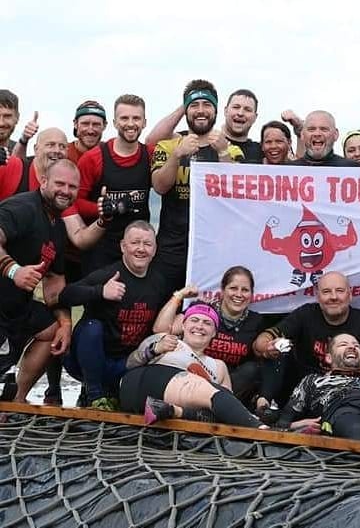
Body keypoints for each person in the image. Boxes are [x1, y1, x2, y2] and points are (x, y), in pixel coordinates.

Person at [58, 220, 167, 410]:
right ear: (123, 246)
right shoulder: (108, 275)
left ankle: (114, 391)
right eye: (135, 243)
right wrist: (100, 291)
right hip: (88, 360)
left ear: (155, 249)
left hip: (127, 363)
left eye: (147, 244)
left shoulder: (159, 282)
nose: (141, 249)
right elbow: (65, 295)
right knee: (92, 327)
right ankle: (94, 394)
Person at [120, 300, 265, 429]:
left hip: (174, 403)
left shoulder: (218, 366)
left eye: (207, 323)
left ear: (214, 332)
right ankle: (260, 428)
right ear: (183, 325)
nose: (200, 326)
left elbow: (227, 404)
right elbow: (130, 364)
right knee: (212, 392)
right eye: (194, 320)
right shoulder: (168, 340)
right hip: (144, 384)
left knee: (223, 405)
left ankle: (174, 411)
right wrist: (154, 349)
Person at [0, 159, 77, 401]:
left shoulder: (57, 227)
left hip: (16, 307)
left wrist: (65, 323)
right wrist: (13, 270)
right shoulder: (22, 208)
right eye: (60, 183)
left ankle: (15, 402)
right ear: (43, 181)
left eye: (72, 186)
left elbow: (54, 283)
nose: (65, 191)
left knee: (52, 330)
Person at [151, 80, 232, 293]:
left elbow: (234, 194)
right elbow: (159, 186)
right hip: (171, 247)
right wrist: (177, 155)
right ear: (186, 111)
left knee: (205, 309)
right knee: (165, 304)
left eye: (207, 104)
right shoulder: (167, 145)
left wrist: (223, 153)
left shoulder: (229, 148)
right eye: (194, 105)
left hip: (213, 247)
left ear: (216, 110)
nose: (201, 110)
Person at [153, 266, 273, 406]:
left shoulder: (256, 321)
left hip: (227, 385)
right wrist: (179, 295)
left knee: (251, 369)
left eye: (245, 290)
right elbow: (160, 329)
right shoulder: (203, 311)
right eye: (233, 288)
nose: (239, 294)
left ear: (251, 294)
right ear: (222, 290)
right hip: (190, 377)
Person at [254, 272, 360, 389]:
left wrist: (333, 379)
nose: (333, 297)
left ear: (350, 294)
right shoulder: (306, 314)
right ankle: (264, 403)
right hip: (305, 389)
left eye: (340, 291)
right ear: (318, 296)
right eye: (326, 292)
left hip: (348, 389)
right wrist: (268, 348)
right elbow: (261, 342)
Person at [76, 94, 153, 274]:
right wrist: (106, 208)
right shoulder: (93, 158)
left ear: (144, 122)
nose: (130, 124)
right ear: (114, 122)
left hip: (138, 252)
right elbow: (75, 202)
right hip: (100, 250)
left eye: (136, 118)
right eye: (124, 118)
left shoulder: (151, 155)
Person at [290, 111, 360, 167]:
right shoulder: (289, 170)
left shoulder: (354, 169)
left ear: (335, 134)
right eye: (311, 129)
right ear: (302, 134)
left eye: (324, 129)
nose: (317, 134)